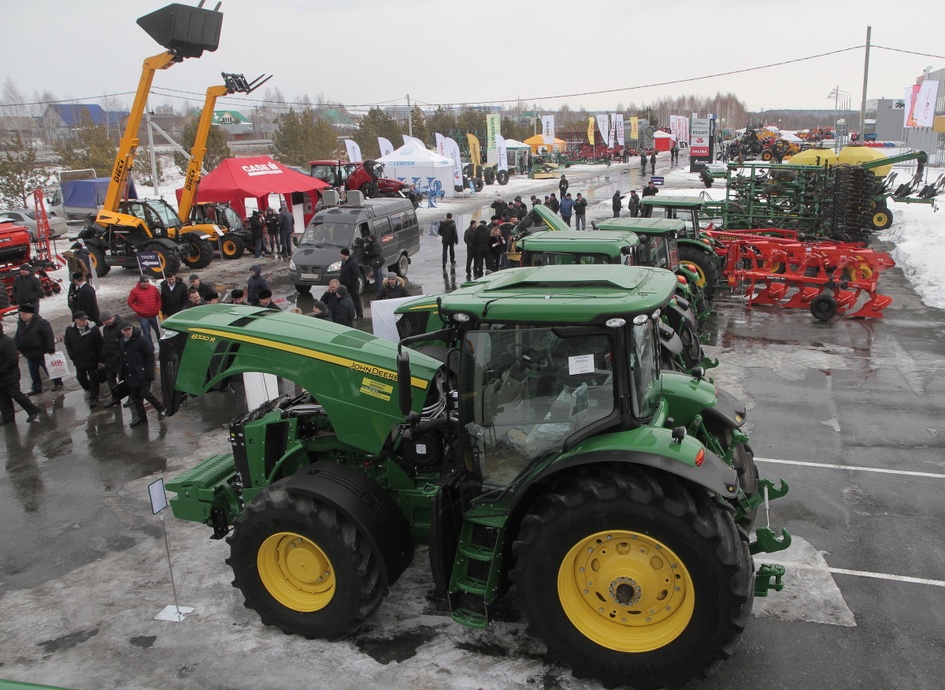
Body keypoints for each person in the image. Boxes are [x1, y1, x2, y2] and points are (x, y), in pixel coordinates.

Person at [118, 322, 165, 427]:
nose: (128, 332)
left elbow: (149, 356)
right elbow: (122, 359)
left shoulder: (141, 340)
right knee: (136, 397)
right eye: (125, 330)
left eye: (129, 329)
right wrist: (121, 373)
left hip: (142, 373)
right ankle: (142, 418)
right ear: (122, 332)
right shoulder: (122, 342)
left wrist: (150, 373)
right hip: (131, 374)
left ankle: (160, 408)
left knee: (145, 393)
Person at [14, 304, 62, 395]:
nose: (21, 317)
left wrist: (50, 349)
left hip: (42, 352)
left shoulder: (41, 322)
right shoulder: (21, 324)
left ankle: (57, 382)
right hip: (29, 353)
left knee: (49, 369)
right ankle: (36, 387)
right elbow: (18, 337)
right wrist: (15, 346)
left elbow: (49, 336)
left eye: (23, 314)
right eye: (20, 315)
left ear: (30, 314)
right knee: (33, 372)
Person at [0, 320, 41, 424]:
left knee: (16, 394)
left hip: (9, 376)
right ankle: (7, 417)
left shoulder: (6, 341)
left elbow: (13, 360)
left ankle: (32, 409)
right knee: (3, 398)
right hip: (2, 377)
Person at [64, 311, 104, 409]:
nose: (85, 321)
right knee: (80, 378)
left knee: (94, 378)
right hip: (79, 359)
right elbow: (68, 343)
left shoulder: (93, 329)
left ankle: (94, 397)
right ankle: (91, 389)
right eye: (82, 320)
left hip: (92, 359)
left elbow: (100, 345)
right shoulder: (69, 330)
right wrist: (72, 355)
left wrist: (100, 359)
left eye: (85, 319)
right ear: (76, 320)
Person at [99, 310, 127, 407]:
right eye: (104, 321)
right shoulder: (105, 329)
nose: (106, 323)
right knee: (110, 379)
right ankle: (115, 398)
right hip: (109, 359)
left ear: (113, 317)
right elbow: (105, 343)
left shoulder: (121, 326)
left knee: (126, 379)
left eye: (107, 320)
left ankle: (132, 397)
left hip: (120, 359)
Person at [126, 275, 161, 346]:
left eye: (147, 282)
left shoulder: (153, 289)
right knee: (147, 334)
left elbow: (159, 299)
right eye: (143, 282)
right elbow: (130, 302)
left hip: (155, 315)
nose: (146, 284)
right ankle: (150, 350)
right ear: (140, 283)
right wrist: (139, 311)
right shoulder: (134, 291)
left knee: (159, 332)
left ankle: (162, 347)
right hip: (143, 317)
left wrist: (158, 308)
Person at [338, 248, 363, 319]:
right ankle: (350, 314)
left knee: (355, 300)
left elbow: (356, 274)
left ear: (344, 254)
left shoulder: (353, 262)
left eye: (341, 254)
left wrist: (349, 282)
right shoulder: (343, 262)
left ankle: (359, 314)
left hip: (352, 286)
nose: (340, 255)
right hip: (344, 285)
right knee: (348, 300)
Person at [363, 233, 384, 298]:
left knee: (377, 276)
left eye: (369, 237)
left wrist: (368, 253)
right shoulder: (375, 243)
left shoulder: (374, 244)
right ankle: (382, 287)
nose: (368, 238)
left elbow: (376, 253)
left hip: (375, 262)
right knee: (380, 275)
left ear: (371, 238)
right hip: (378, 261)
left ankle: (379, 290)